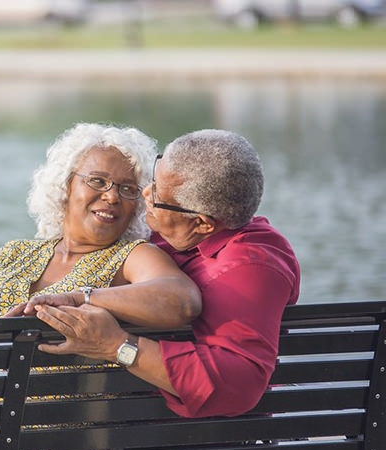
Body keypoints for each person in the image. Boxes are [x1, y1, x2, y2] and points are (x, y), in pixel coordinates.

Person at [21, 129, 300, 418]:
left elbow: (239, 385)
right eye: (154, 178)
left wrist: (117, 346)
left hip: (196, 441)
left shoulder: (251, 265)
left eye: (157, 195)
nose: (145, 194)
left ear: (202, 224)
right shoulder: (169, 235)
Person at [0, 122, 201, 330]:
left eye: (128, 189)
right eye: (98, 181)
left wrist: (82, 297)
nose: (112, 197)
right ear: (65, 184)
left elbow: (182, 301)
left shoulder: (132, 256)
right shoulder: (13, 253)